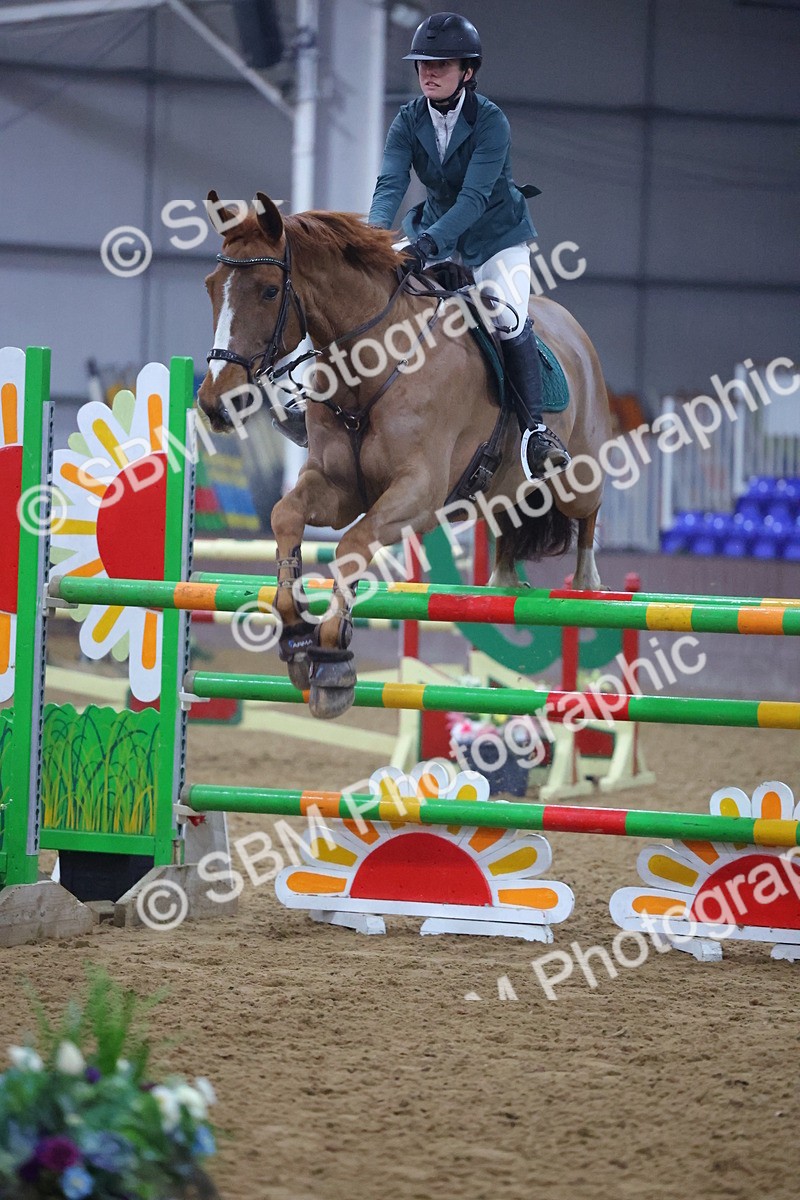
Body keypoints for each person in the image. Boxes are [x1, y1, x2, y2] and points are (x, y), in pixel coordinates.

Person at [368, 10, 570, 480]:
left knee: (505, 312)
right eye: (423, 64)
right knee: (389, 297)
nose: (429, 73)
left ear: (468, 71)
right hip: (436, 229)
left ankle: (535, 432)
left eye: (442, 64)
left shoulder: (491, 122)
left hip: (496, 236)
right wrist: (374, 239)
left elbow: (475, 198)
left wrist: (425, 244)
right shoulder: (407, 120)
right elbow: (390, 185)